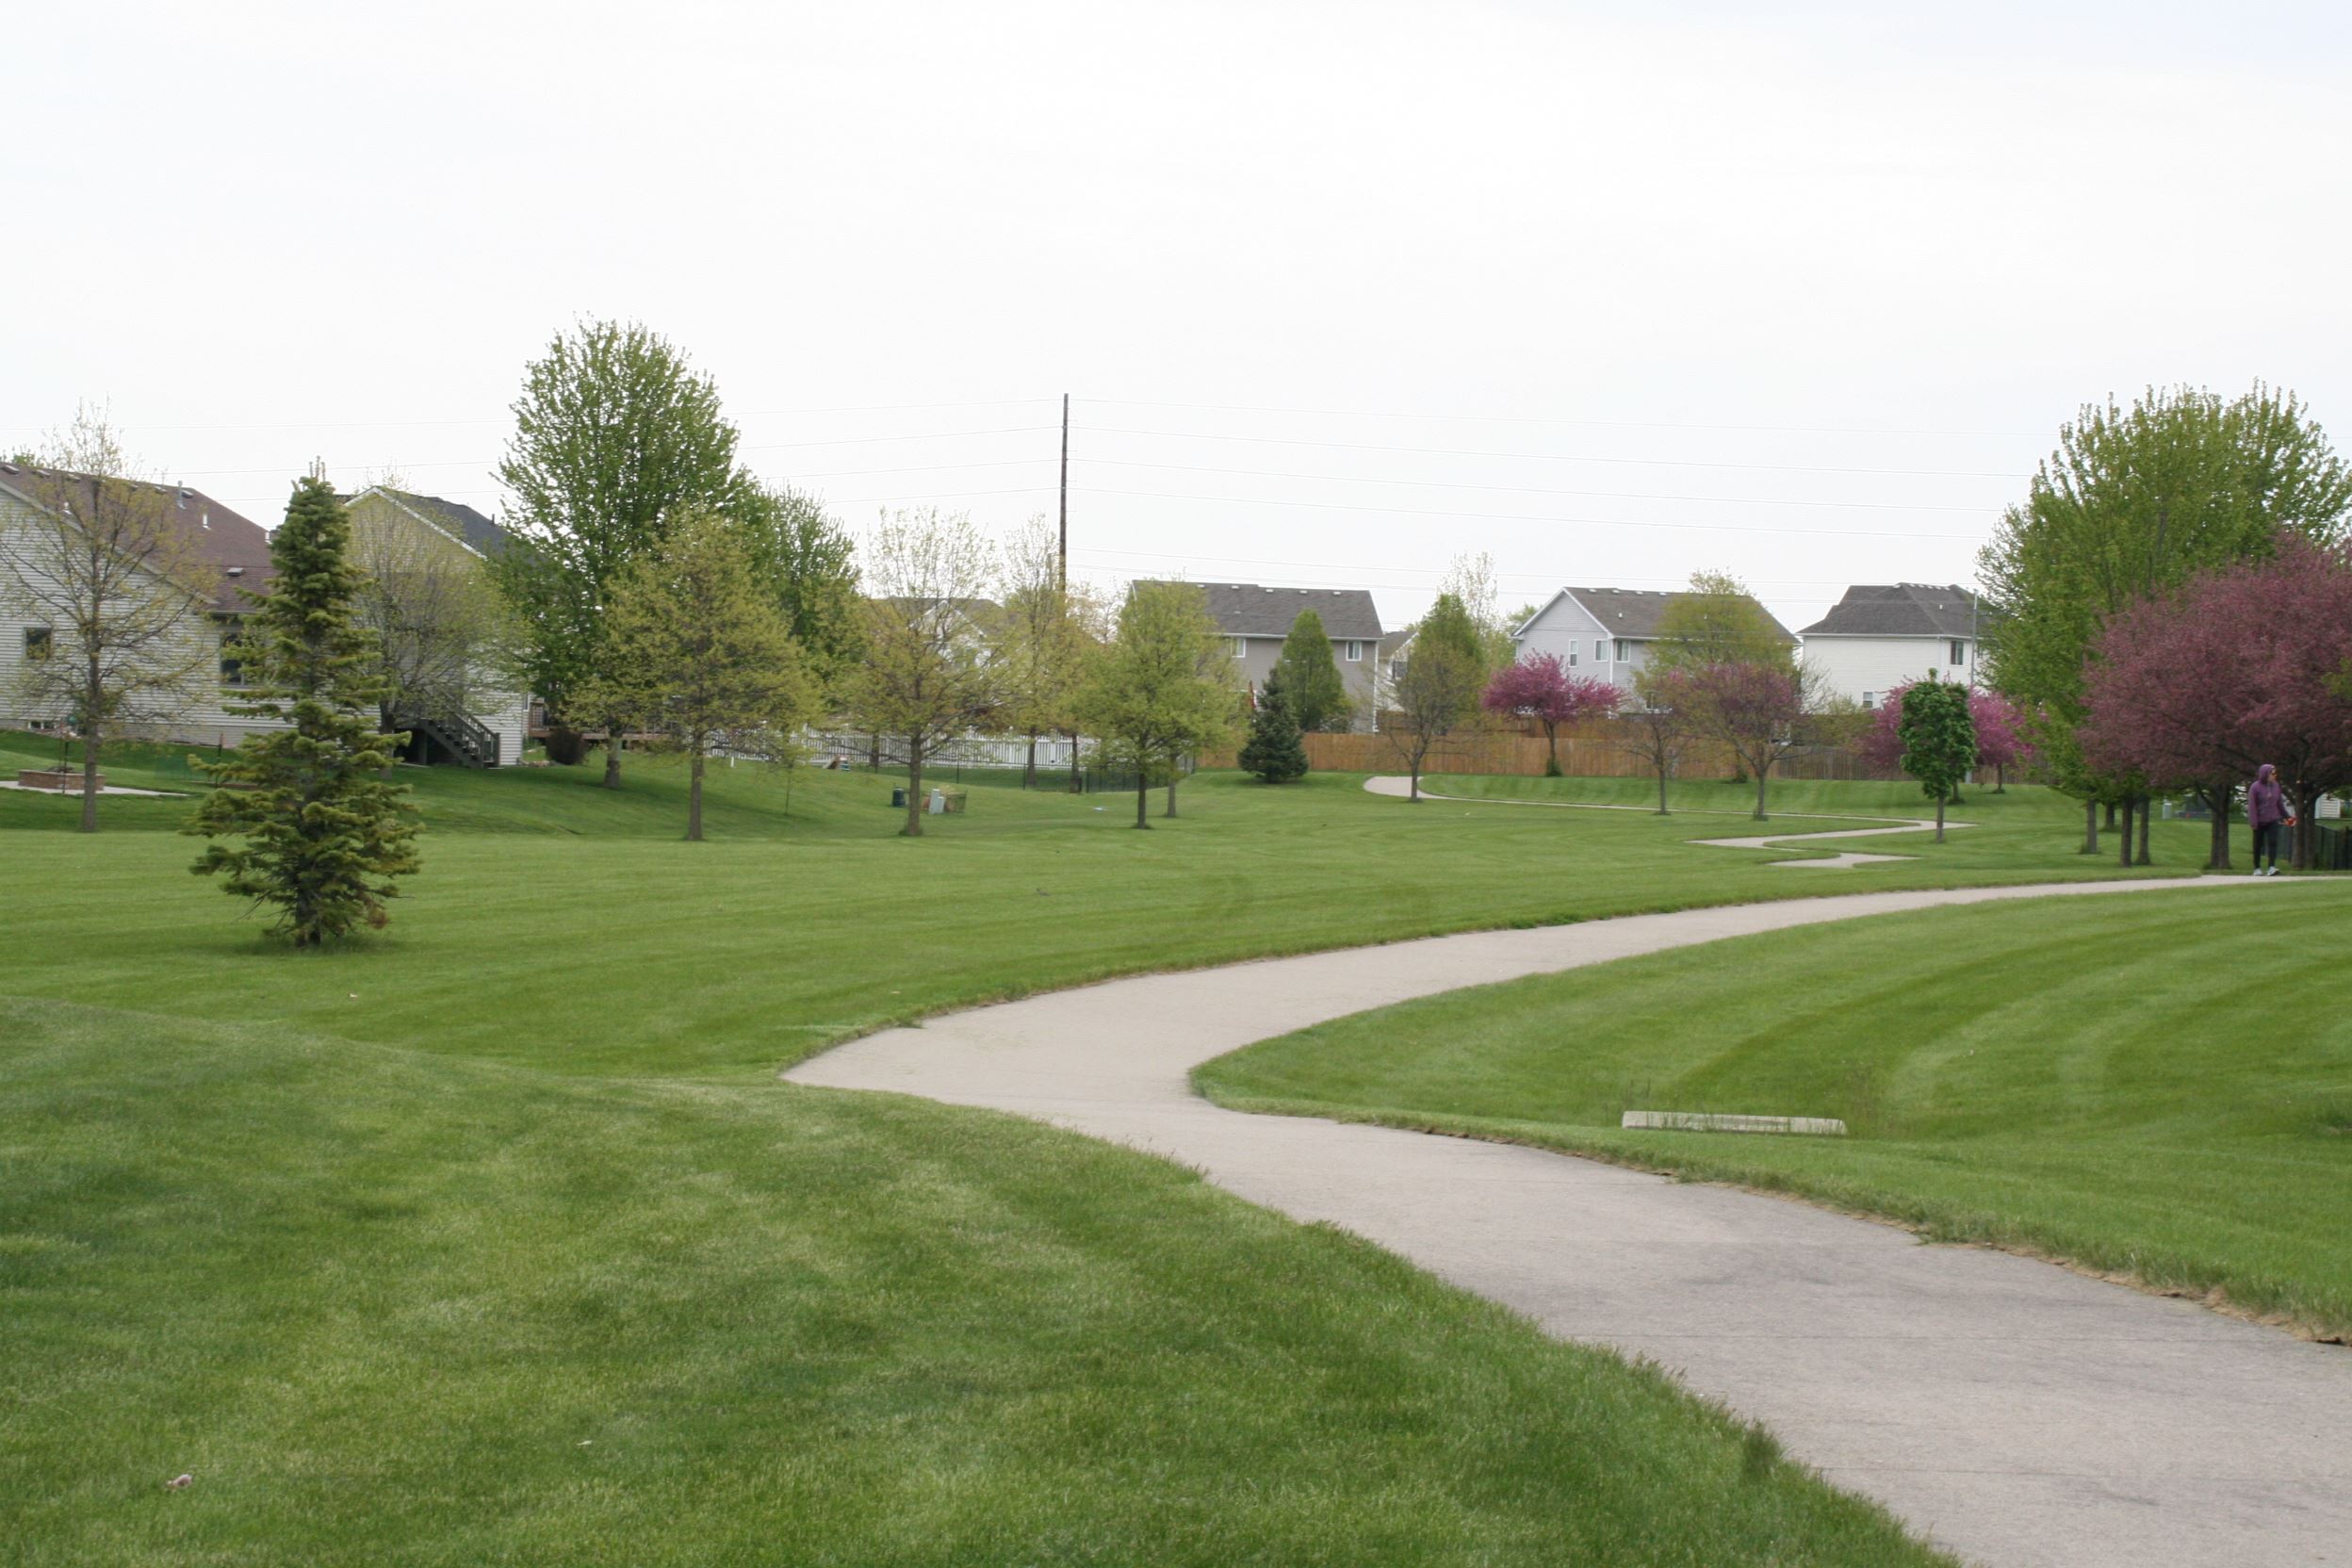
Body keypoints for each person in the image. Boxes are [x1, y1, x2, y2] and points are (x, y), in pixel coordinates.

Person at [2247, 763, 2287, 875]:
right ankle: (2257, 868)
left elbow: (2279, 803)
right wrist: (2253, 821)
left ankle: (2271, 867)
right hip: (2259, 821)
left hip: (2273, 819)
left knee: (2273, 842)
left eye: (2275, 773)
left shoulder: (2276, 786)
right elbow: (2252, 806)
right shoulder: (2255, 787)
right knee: (2258, 844)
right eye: (2272, 773)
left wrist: (2287, 816)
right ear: (2265, 774)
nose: (2275, 775)